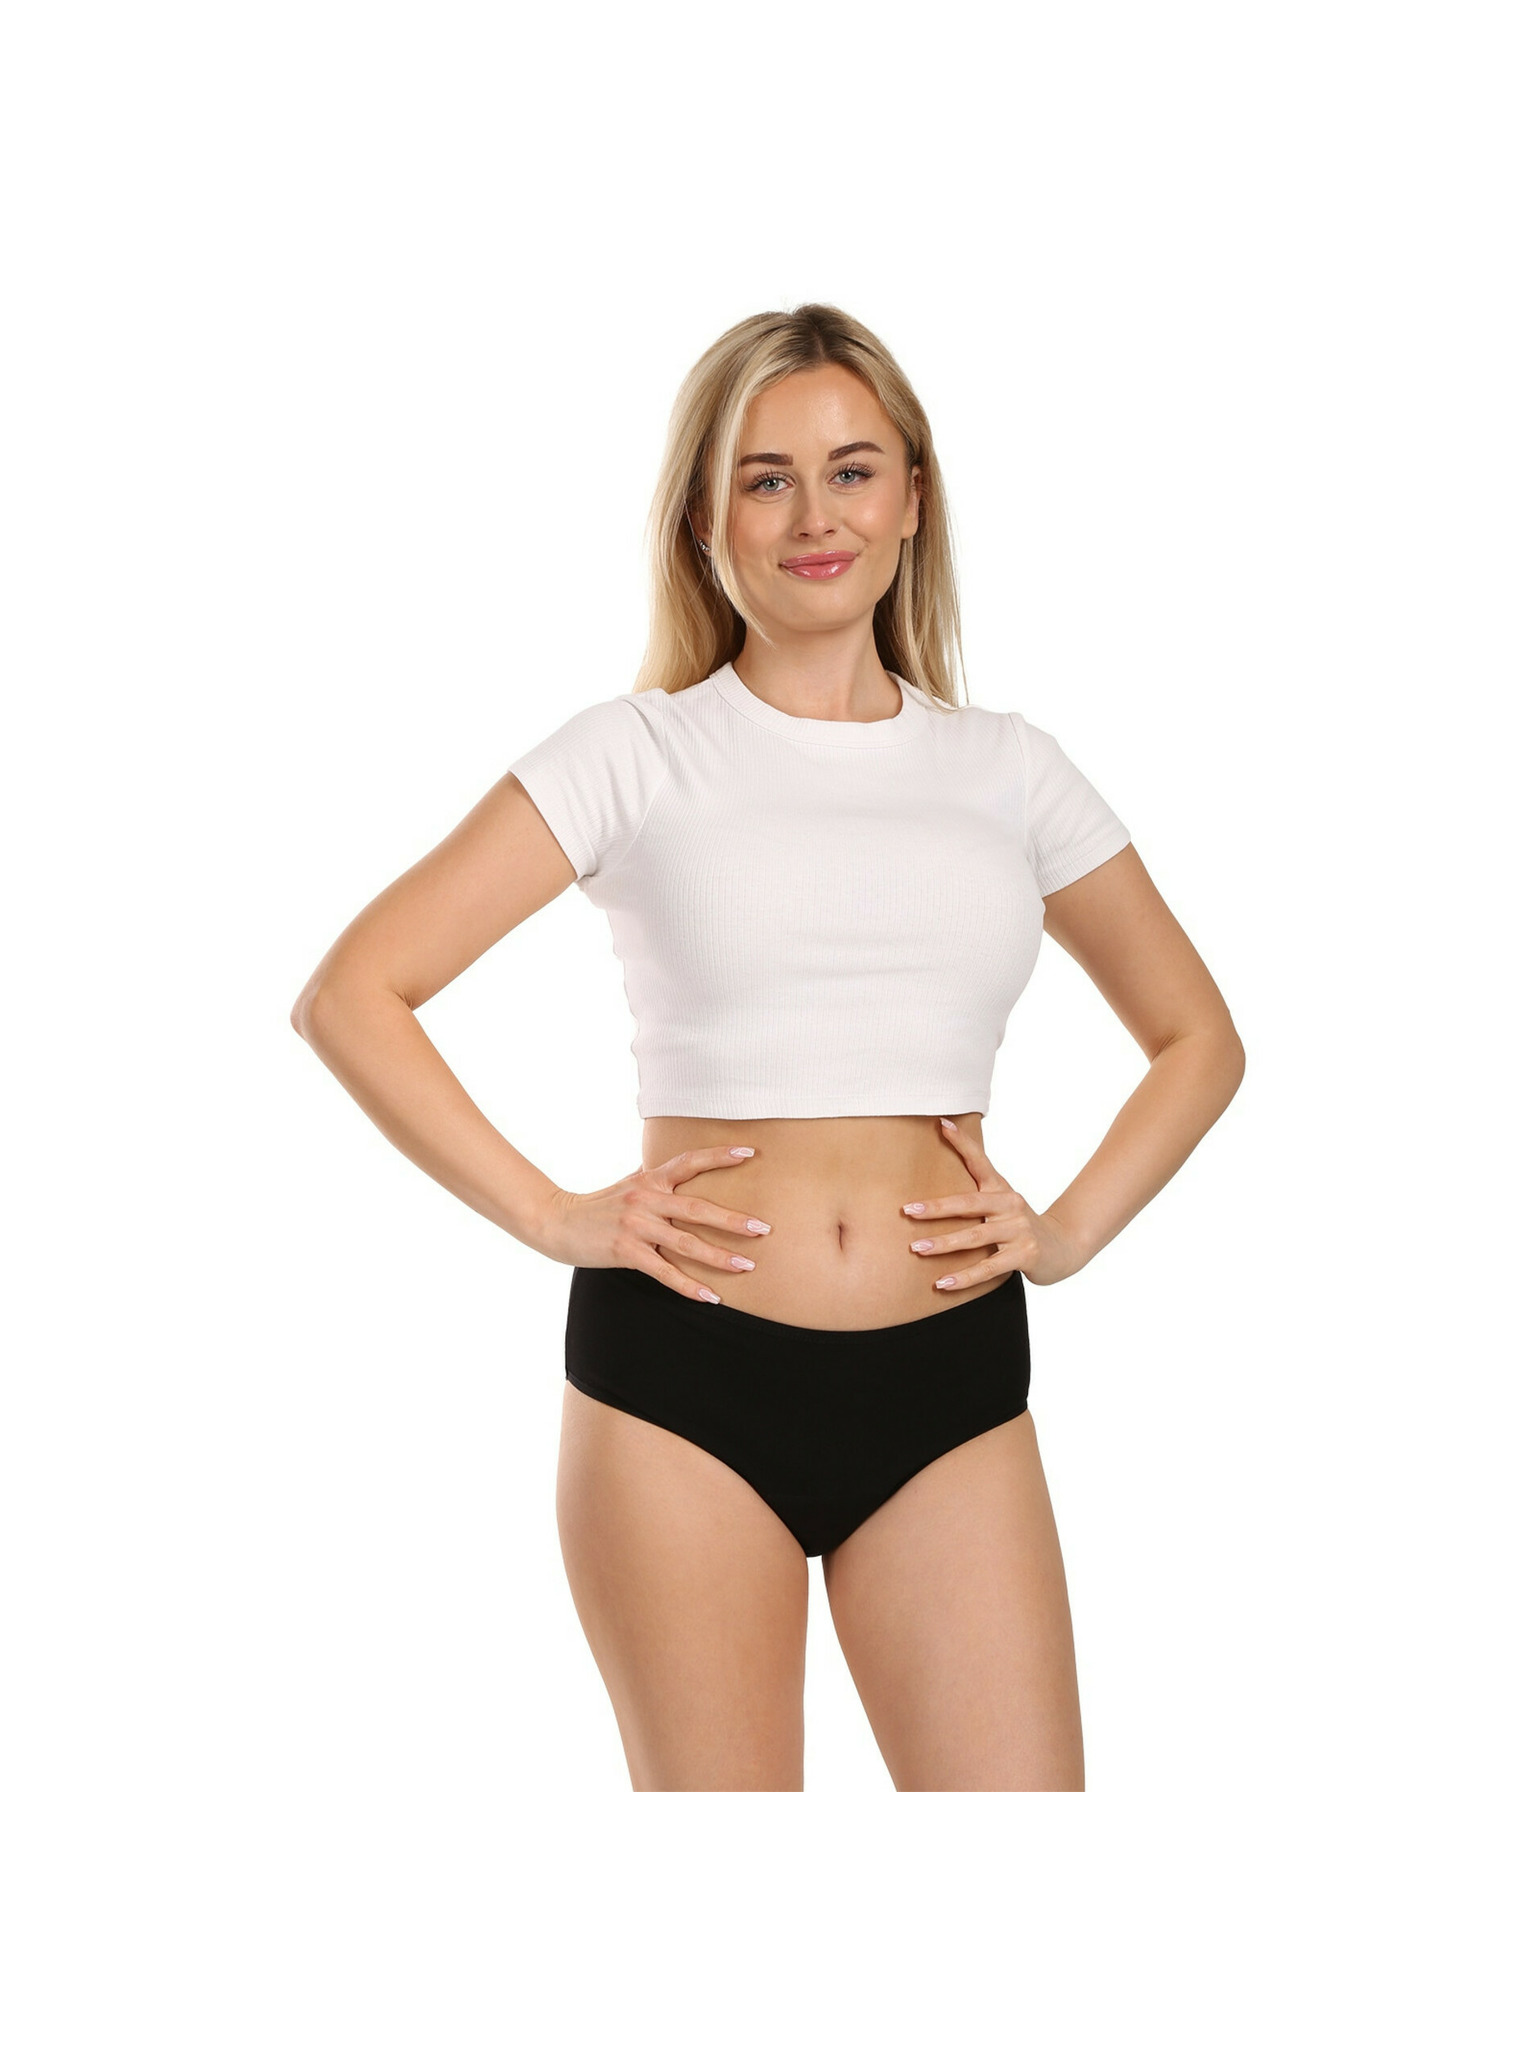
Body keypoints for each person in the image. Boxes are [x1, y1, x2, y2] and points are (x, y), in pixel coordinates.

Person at [290, 303, 1245, 1793]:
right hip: (683, 1385)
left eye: (854, 471)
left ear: (914, 499)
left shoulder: (1009, 771)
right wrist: (551, 1215)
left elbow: (1198, 1038)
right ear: (703, 517)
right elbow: (354, 992)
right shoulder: (634, 754)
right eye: (767, 478)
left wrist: (1064, 1235)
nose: (817, 517)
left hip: (952, 1385)